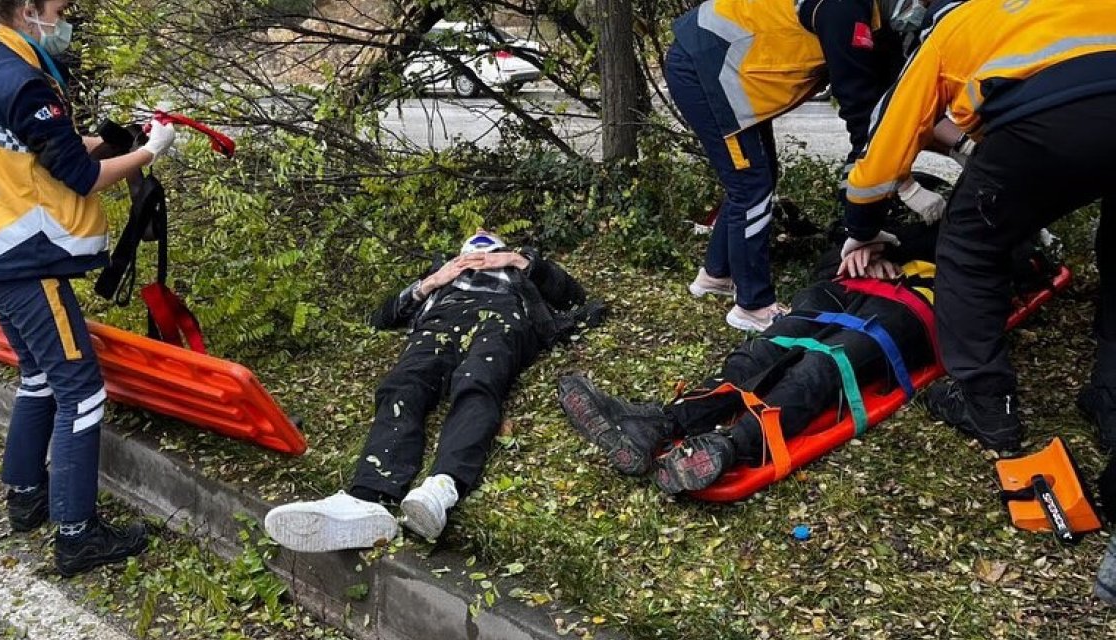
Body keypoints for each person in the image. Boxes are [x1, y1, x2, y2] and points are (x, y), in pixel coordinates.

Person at [559, 223, 1058, 493]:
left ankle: (732, 445)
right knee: (763, 352)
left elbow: (1008, 273)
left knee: (825, 366)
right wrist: (861, 251)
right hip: (845, 290)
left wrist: (901, 246)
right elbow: (835, 250)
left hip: (915, 307)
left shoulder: (998, 230)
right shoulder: (890, 213)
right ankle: (660, 424)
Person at [0, 0, 175, 576]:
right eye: (59, 7)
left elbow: (42, 155)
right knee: (81, 388)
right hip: (21, 263)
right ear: (29, 10)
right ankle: (77, 534)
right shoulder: (27, 82)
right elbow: (78, 177)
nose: (66, 14)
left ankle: (26, 498)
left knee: (40, 375)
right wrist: (151, 152)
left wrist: (107, 139)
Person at [838, 0, 1116, 455]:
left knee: (970, 244)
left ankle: (985, 404)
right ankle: (1111, 399)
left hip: (1050, 121)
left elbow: (885, 149)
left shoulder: (954, 25)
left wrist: (862, 226)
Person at [265, 232, 599, 552]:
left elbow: (575, 297)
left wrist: (517, 260)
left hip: (501, 318)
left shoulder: (516, 270)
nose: (480, 234)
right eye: (473, 239)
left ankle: (442, 487)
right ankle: (367, 498)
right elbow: (379, 318)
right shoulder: (443, 273)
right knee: (401, 388)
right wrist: (433, 281)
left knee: (476, 382)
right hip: (440, 322)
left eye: (489, 238)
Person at [664, 0, 943, 332]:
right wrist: (864, 227)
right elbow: (864, 117)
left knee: (758, 178)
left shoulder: (874, 18)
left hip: (726, 69)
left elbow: (894, 102)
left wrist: (954, 150)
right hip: (706, 66)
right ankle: (752, 306)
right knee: (751, 185)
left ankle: (716, 274)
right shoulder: (843, 9)